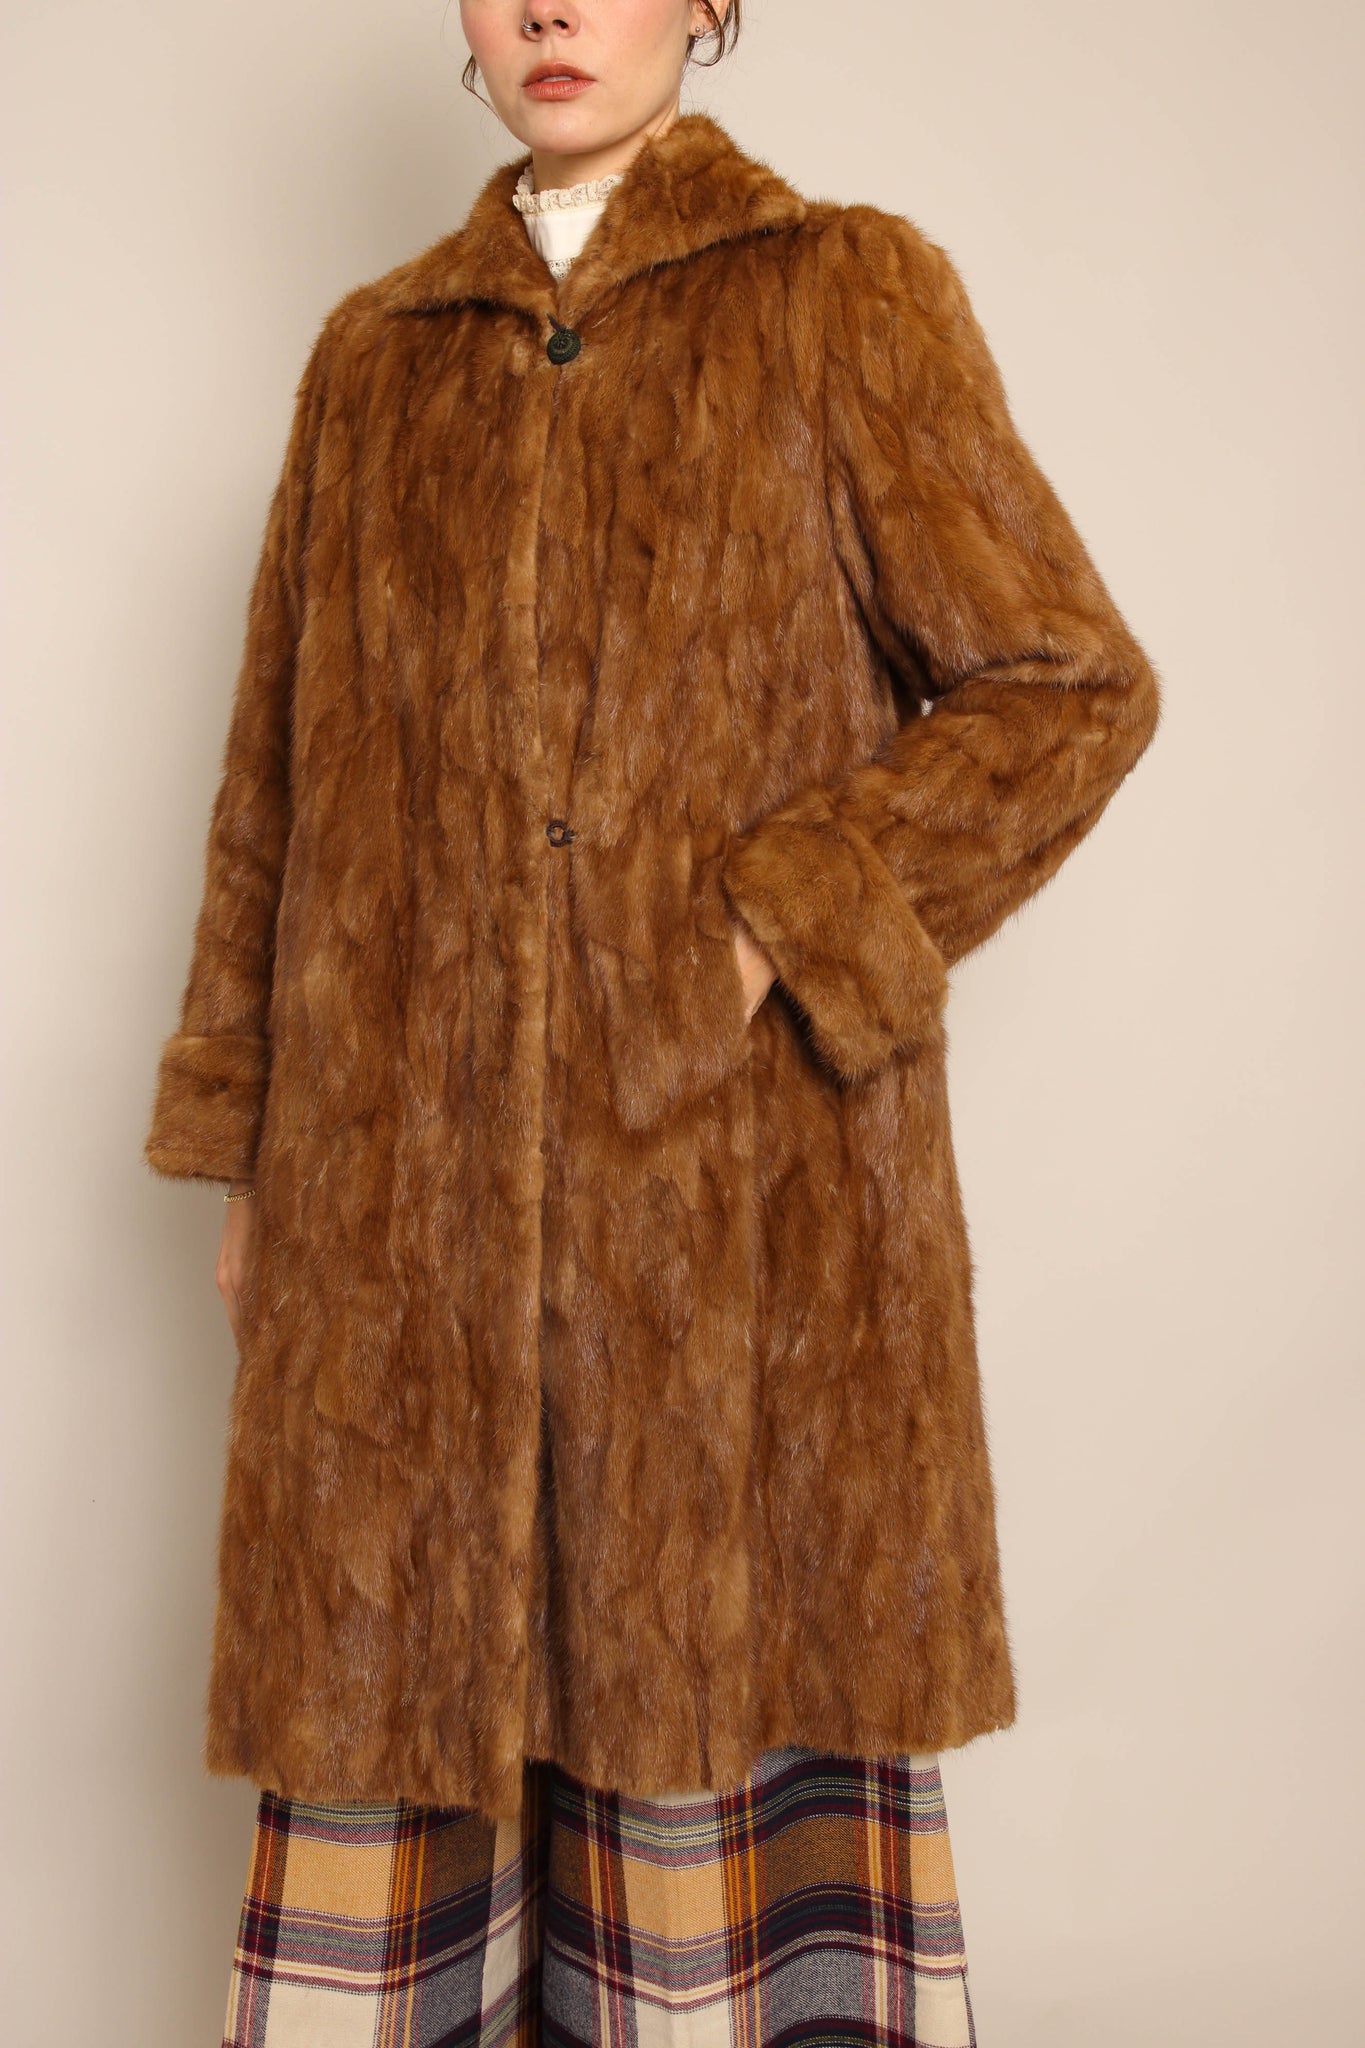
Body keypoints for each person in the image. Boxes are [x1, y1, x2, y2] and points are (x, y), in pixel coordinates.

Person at [145, 0, 1160, 2038]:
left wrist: (786, 921)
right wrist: (255, 1150)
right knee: (391, 1690)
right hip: (395, 1211)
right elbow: (276, 782)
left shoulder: (838, 291)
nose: (548, 9)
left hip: (726, 1196)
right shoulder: (372, 356)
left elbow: (1066, 684)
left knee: (693, 1702)